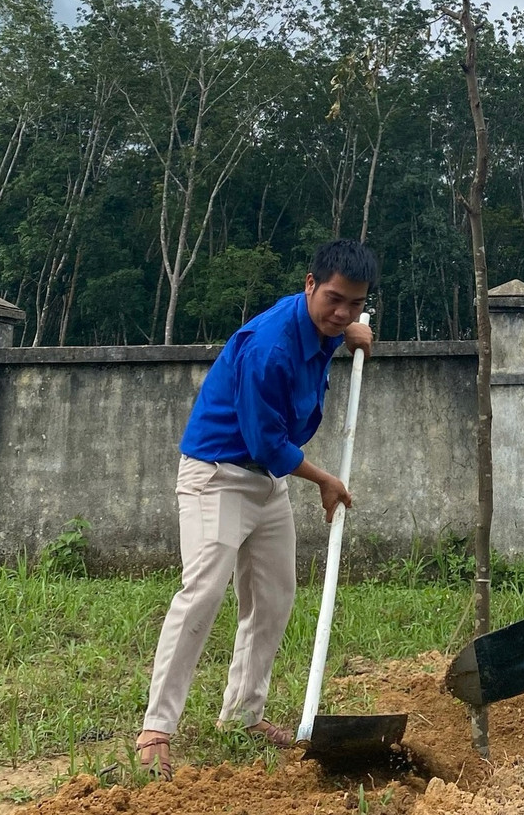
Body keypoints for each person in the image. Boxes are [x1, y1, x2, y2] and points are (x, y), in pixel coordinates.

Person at [134, 238, 378, 779]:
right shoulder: (270, 344)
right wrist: (325, 480)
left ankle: (243, 714)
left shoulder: (321, 330)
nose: (343, 313)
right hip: (218, 476)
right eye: (334, 299)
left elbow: (323, 341)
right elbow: (267, 442)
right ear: (309, 284)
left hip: (267, 481)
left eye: (355, 304)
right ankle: (156, 727)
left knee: (273, 596)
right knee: (202, 593)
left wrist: (348, 335)